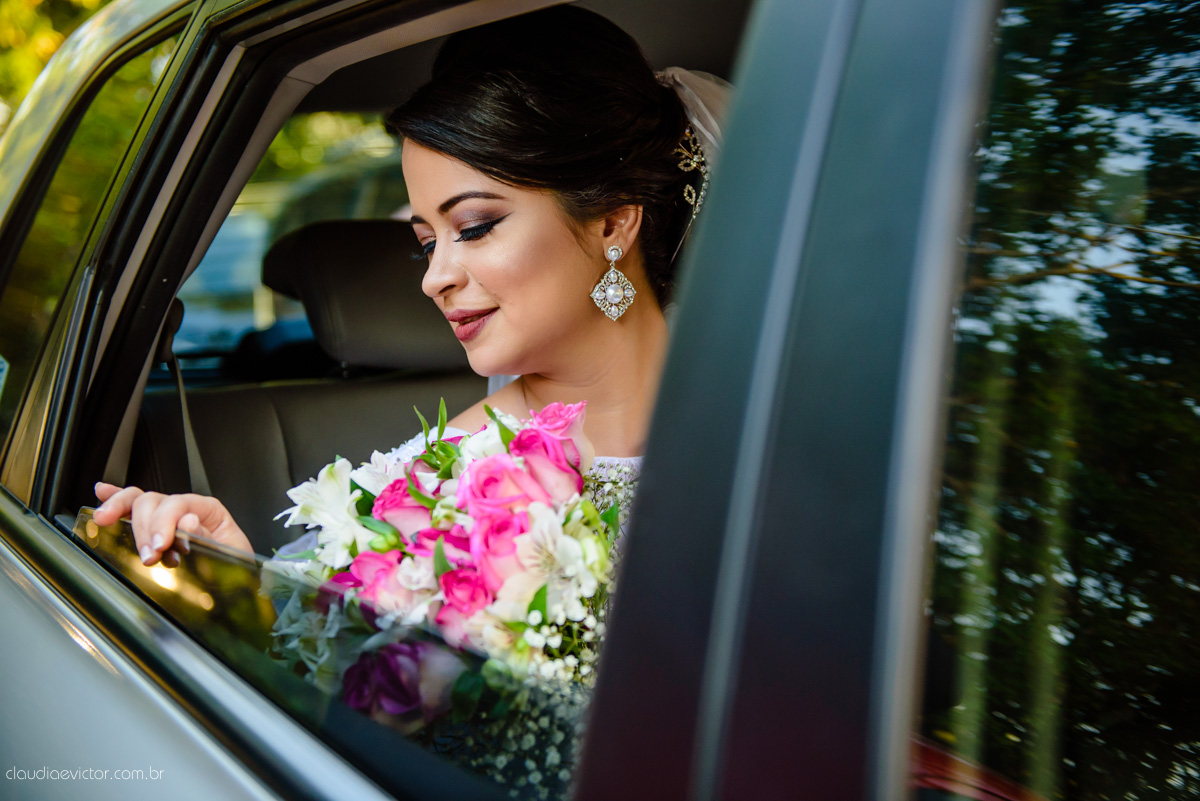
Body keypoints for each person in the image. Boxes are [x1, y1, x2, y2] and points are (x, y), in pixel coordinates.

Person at [92, 5, 728, 567]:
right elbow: (329, 635)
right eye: (426, 243)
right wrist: (244, 577)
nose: (434, 278)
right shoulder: (452, 473)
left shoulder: (789, 412)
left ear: (613, 221)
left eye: (474, 227)